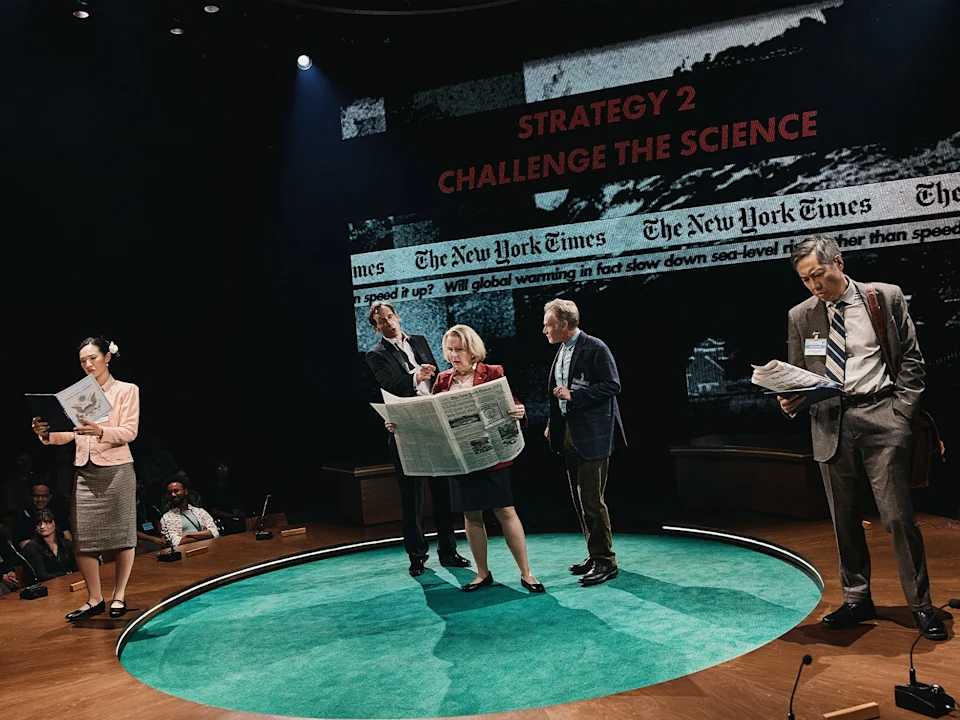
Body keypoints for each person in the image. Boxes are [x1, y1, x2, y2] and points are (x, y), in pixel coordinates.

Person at [780, 234, 946, 641]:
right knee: (844, 520)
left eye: (819, 275)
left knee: (897, 518)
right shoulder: (801, 315)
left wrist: (901, 415)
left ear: (838, 261)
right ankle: (857, 598)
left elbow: (911, 358)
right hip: (830, 424)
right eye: (806, 280)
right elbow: (798, 372)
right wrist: (789, 399)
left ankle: (921, 605)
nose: (815, 286)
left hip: (882, 416)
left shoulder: (883, 298)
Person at [391, 324, 543, 593]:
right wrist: (401, 425)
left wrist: (519, 410)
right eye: (449, 350)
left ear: (472, 350)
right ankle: (482, 573)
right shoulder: (443, 380)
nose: (453, 355)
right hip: (461, 460)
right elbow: (433, 419)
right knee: (471, 516)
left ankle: (527, 573)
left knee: (505, 511)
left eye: (459, 349)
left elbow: (513, 403)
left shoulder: (493, 372)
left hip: (492, 457)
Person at [31, 336, 140, 620]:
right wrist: (45, 433)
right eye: (83, 360)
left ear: (108, 357)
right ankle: (94, 599)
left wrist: (101, 431)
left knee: (123, 536)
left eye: (93, 357)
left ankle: (119, 596)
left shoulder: (126, 390)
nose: (88, 364)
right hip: (86, 470)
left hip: (117, 468)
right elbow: (68, 432)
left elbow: (130, 431)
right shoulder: (78, 393)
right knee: (83, 537)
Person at [365, 301, 470, 577]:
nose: (389, 323)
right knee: (412, 498)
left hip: (433, 423)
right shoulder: (375, 354)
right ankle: (417, 557)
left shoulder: (420, 341)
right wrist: (415, 376)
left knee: (443, 492)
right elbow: (391, 384)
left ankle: (448, 550)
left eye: (391, 317)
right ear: (376, 327)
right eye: (382, 321)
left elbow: (436, 377)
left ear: (398, 317)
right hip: (406, 428)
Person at [543, 298, 626, 587]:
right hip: (569, 432)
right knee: (581, 500)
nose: (545, 330)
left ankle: (606, 562)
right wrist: (554, 425)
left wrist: (575, 397)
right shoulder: (563, 350)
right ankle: (595, 554)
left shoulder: (595, 347)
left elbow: (613, 385)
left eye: (549, 325)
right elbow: (559, 390)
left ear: (564, 325)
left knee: (592, 500)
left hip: (593, 434)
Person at [159, 476, 220, 548]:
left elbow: (215, 533)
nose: (173, 494)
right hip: (187, 554)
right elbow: (176, 542)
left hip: (209, 549)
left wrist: (187, 535)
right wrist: (204, 535)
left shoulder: (200, 511)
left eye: (176, 491)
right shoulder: (166, 518)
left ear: (185, 491)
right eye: (170, 493)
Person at [21, 509, 78, 583]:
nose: (42, 526)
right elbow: (42, 575)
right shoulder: (31, 547)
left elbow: (76, 568)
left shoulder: (66, 544)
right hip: (47, 587)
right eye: (39, 523)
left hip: (70, 582)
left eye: (47, 522)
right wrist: (65, 578)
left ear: (54, 523)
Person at [13, 483, 70, 548]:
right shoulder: (23, 518)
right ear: (30, 497)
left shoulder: (57, 514)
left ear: (49, 497)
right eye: (36, 496)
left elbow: (68, 539)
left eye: (44, 496)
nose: (40, 499)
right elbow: (27, 549)